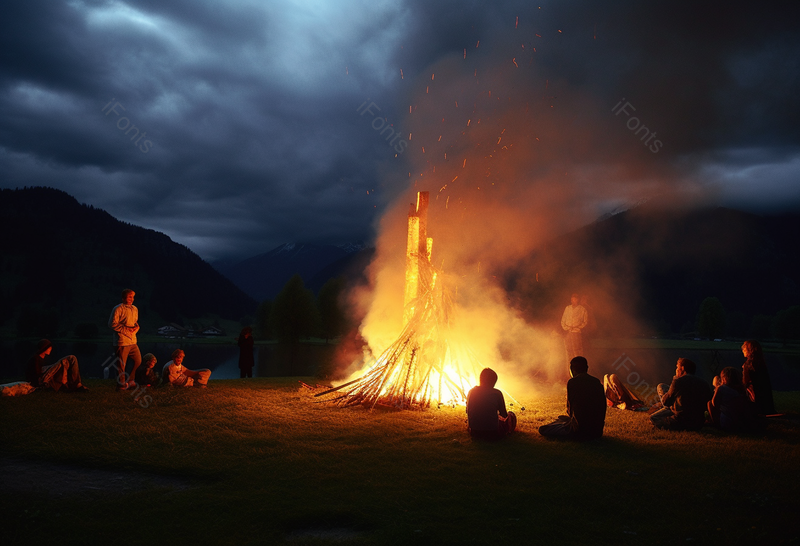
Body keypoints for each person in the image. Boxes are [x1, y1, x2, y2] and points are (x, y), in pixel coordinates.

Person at [539, 356, 606, 440]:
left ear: (571, 369)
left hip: (579, 431)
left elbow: (570, 411)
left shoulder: (573, 382)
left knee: (543, 429)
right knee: (561, 418)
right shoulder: (596, 382)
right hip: (597, 431)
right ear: (587, 368)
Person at [650, 358, 712, 431]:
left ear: (682, 368)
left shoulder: (678, 381)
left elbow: (666, 402)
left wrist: (675, 378)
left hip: (681, 420)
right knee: (662, 386)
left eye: (677, 367)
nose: (676, 370)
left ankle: (666, 412)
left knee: (654, 418)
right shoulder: (704, 383)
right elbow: (707, 403)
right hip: (698, 423)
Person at [466, 368, 517, 440]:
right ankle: (508, 431)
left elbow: (467, 411)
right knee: (511, 415)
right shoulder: (497, 393)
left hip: (475, 432)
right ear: (493, 382)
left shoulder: (471, 392)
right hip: (493, 433)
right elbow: (504, 415)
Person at [108, 288, 141, 391]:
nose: (132, 299)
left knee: (138, 360)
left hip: (132, 340)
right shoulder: (118, 309)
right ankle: (121, 384)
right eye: (129, 297)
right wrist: (125, 330)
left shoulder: (135, 309)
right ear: (123, 298)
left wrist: (136, 328)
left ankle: (130, 380)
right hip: (122, 341)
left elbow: (135, 323)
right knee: (121, 364)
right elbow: (112, 324)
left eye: (133, 297)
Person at [707, 367, 757, 432]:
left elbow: (714, 404)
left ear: (724, 378)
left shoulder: (722, 388)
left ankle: (716, 424)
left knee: (709, 404)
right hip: (740, 422)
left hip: (727, 421)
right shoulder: (742, 389)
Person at [741, 340, 776, 415]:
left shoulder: (749, 364)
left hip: (755, 396)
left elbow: (745, 382)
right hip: (765, 399)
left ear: (749, 350)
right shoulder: (761, 363)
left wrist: (744, 371)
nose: (742, 350)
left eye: (744, 348)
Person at [561, 293, 588, 363]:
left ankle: (578, 365)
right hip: (567, 332)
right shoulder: (567, 308)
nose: (573, 301)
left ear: (578, 300)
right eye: (572, 299)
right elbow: (563, 320)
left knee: (577, 350)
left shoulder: (582, 309)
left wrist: (578, 327)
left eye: (575, 299)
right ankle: (569, 367)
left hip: (576, 333)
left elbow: (585, 321)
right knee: (568, 350)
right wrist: (566, 328)